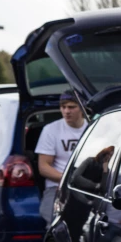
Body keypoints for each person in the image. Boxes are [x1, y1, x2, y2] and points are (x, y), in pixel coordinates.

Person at [36, 89, 88, 227]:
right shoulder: (51, 129)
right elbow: (44, 166)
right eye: (63, 107)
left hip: (87, 187)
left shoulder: (92, 128)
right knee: (53, 222)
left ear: (82, 108)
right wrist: (68, 180)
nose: (66, 111)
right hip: (57, 187)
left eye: (71, 107)